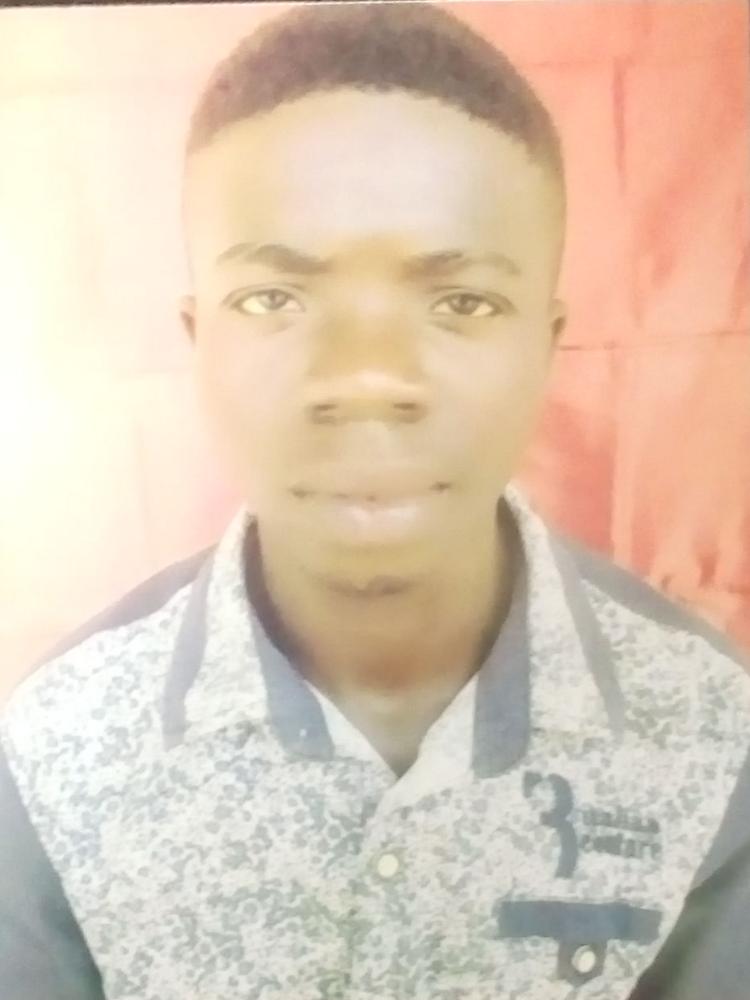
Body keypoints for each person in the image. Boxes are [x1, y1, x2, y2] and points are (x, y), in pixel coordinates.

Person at [1, 5, 749, 999]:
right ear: (198, 341)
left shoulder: (706, 727)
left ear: (546, 346)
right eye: (273, 299)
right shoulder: (60, 746)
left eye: (462, 302)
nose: (365, 377)